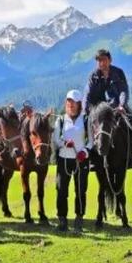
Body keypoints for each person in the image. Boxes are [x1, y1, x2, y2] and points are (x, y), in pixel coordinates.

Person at [83, 49, 132, 169]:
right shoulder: (93, 76)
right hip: (98, 112)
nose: (101, 63)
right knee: (84, 124)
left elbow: (124, 90)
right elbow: (87, 95)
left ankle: (131, 155)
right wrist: (88, 110)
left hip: (116, 109)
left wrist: (122, 105)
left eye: (104, 60)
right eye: (99, 60)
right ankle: (91, 157)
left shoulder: (118, 73)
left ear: (110, 60)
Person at [52, 90, 90, 232]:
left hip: (81, 160)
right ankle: (62, 219)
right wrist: (63, 144)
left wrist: (84, 152)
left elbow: (91, 141)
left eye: (74, 102)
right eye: (69, 102)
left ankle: (79, 218)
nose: (71, 105)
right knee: (61, 190)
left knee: (80, 190)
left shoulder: (86, 120)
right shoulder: (60, 120)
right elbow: (56, 139)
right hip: (64, 160)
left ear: (80, 104)